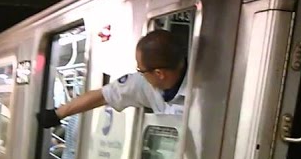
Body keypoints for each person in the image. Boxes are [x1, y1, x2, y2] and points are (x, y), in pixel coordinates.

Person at [35, 29, 188, 128]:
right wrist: (58, 114)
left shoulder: (202, 93)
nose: (139, 74)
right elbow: (102, 96)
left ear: (159, 73)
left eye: (141, 70)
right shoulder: (144, 84)